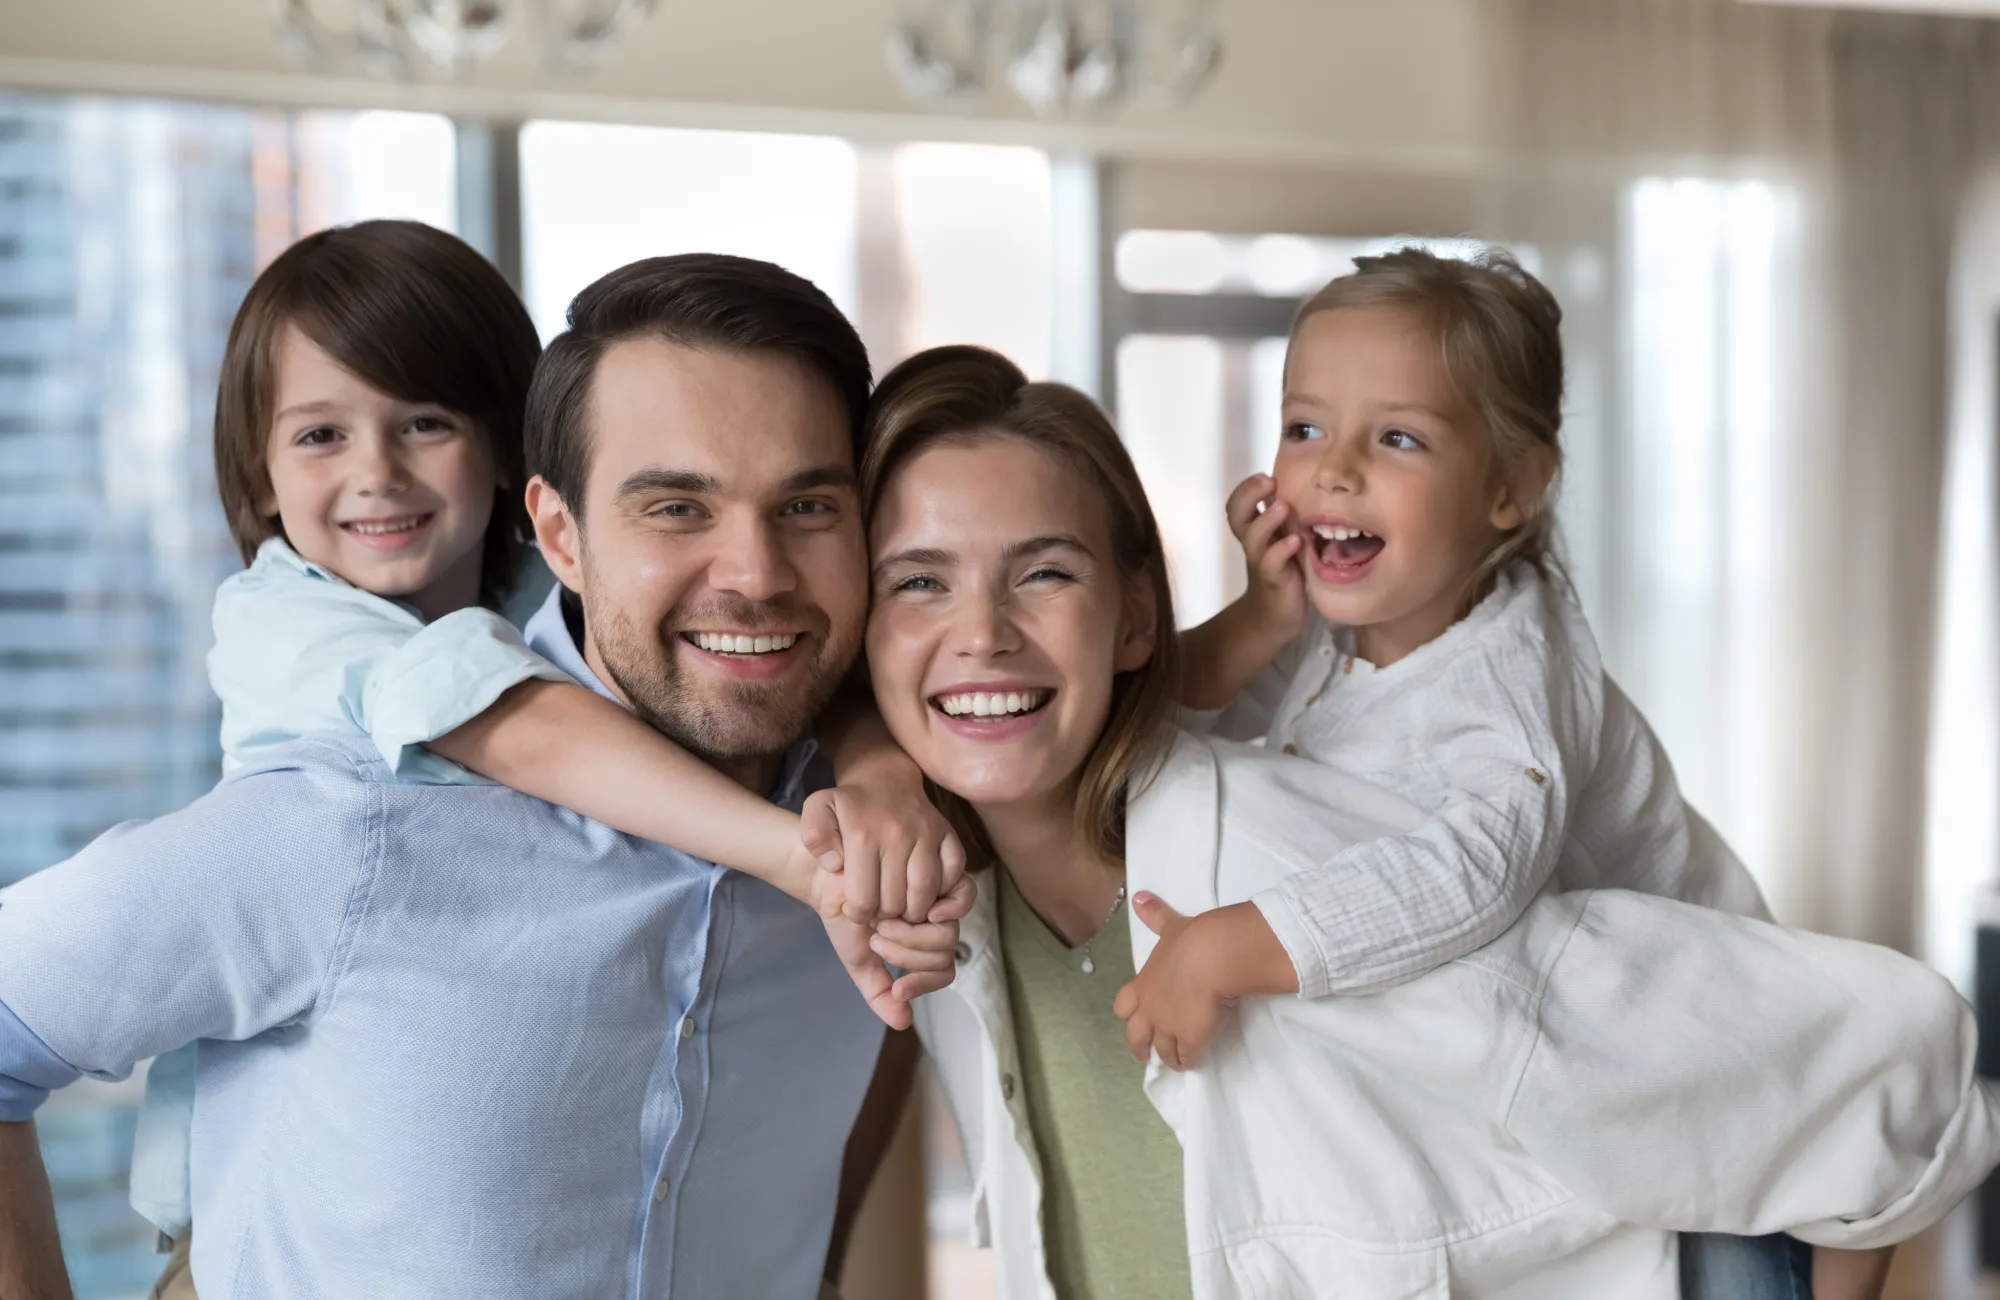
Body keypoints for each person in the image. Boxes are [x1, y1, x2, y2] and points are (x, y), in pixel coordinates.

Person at [860, 344, 2000, 1300]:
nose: (981, 635)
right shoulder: (934, 906)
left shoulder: (1306, 870)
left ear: (1135, 617)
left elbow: (1886, 1056)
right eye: (916, 582)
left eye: (1042, 573)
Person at [0, 251, 957, 1300]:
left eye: (807, 506)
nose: (756, 573)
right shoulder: (350, 818)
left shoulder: (901, 832)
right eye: (676, 508)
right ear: (560, 532)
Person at [1115, 245, 1879, 1296]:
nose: (1333, 468)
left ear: (1510, 487)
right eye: (1303, 428)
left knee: (1760, 1230)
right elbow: (1169, 715)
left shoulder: (1510, 663)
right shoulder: (1336, 629)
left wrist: (1233, 947)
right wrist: (1258, 616)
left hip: (1697, 1060)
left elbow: (1479, 864)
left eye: (1395, 437)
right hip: (1558, 1061)